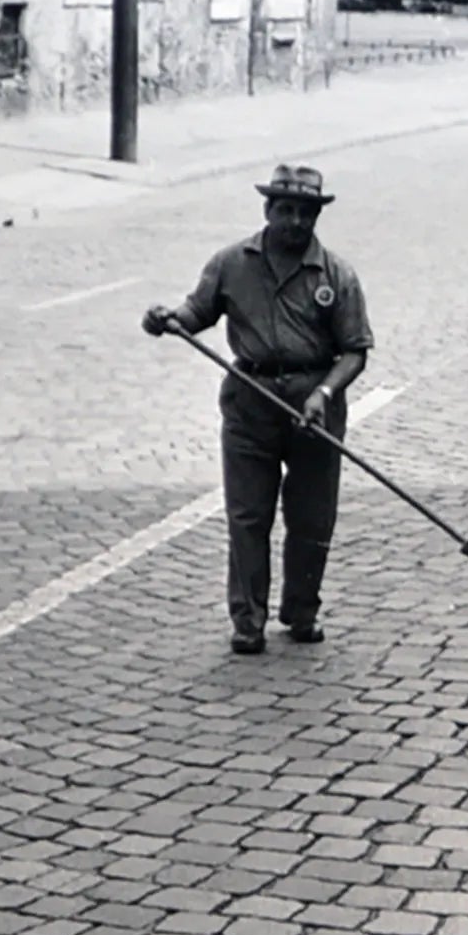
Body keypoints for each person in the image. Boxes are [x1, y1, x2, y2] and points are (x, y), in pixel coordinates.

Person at [142, 165, 374, 656]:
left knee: (312, 518)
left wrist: (324, 394)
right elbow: (196, 312)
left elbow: (355, 350)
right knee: (248, 516)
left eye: (305, 213)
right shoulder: (230, 263)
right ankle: (247, 620)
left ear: (316, 217)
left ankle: (301, 611)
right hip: (250, 401)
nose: (294, 221)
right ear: (268, 210)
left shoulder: (337, 275)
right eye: (285, 211)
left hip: (315, 407)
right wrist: (167, 320)